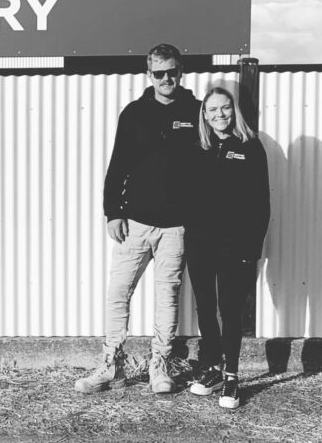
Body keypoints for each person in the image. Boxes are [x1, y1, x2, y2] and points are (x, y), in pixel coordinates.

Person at [75, 43, 201, 395]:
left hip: (176, 226)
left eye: (171, 72)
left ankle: (159, 366)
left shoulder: (197, 110)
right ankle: (110, 364)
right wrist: (113, 212)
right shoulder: (133, 113)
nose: (166, 79)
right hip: (136, 222)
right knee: (118, 292)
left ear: (180, 72)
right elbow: (118, 166)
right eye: (159, 73)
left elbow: (206, 168)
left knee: (168, 295)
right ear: (150, 75)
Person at [185, 86, 270, 410]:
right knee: (205, 308)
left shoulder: (250, 146)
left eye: (225, 108)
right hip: (201, 242)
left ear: (234, 111)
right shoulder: (197, 148)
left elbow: (262, 203)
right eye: (212, 110)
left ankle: (232, 377)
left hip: (236, 244)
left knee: (230, 311)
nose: (219, 115)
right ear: (204, 116)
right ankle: (213, 369)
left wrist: (253, 246)